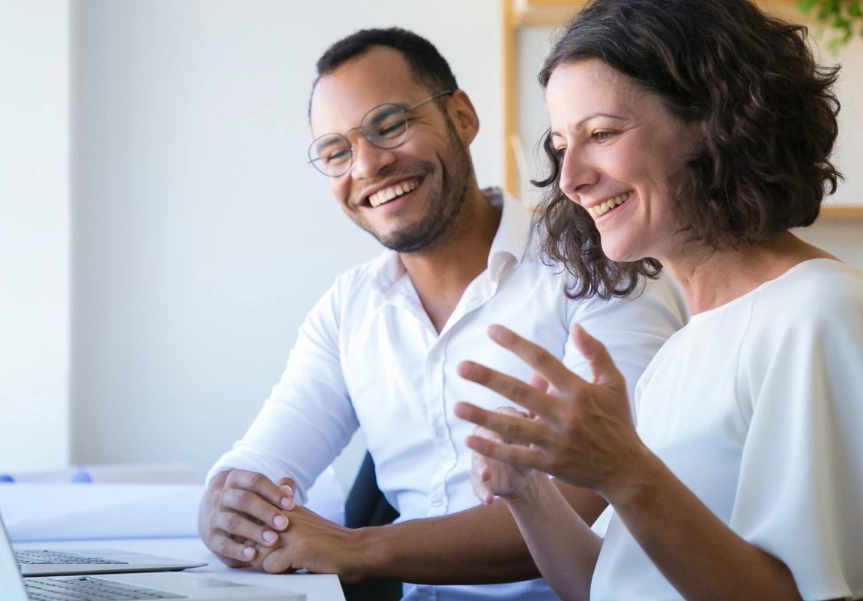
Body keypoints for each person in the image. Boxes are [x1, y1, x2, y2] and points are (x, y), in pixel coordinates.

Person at [452, 1, 863, 600]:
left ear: (716, 120)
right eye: (560, 146)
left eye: (601, 134)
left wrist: (626, 472)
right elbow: (612, 586)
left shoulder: (820, 317)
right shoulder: (683, 351)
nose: (571, 178)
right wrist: (527, 490)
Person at [197, 27, 688, 601]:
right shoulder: (348, 307)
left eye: (390, 125)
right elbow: (262, 458)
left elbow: (599, 489)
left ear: (462, 116)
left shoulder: (600, 266)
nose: (368, 165)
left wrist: (362, 550)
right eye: (337, 151)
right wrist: (226, 506)